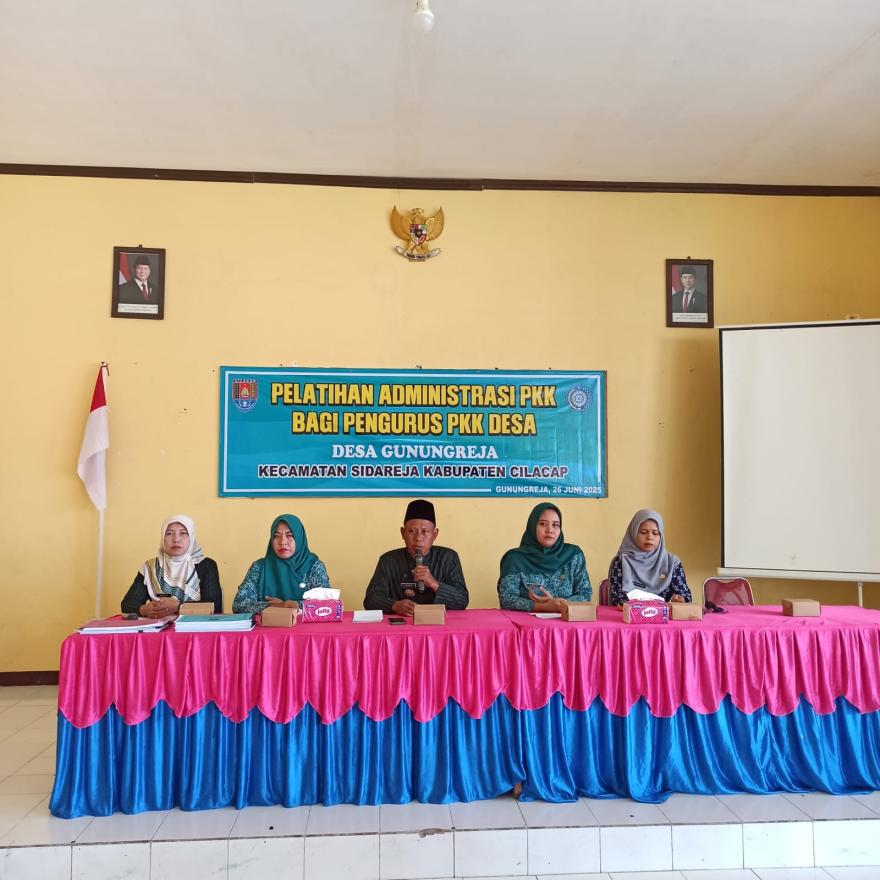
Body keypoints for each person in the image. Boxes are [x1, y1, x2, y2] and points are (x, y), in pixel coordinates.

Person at [363, 499, 468, 616]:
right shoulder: (388, 560)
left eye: (425, 531)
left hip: (439, 624)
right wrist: (394, 605)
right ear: (403, 533)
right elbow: (370, 600)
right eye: (412, 531)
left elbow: (462, 600)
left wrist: (433, 583)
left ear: (435, 534)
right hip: (402, 624)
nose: (418, 538)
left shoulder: (448, 557)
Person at [497, 502, 592, 612]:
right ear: (532, 526)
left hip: (565, 619)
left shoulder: (573, 555)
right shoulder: (515, 558)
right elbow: (506, 599)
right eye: (543, 524)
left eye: (555, 525)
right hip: (526, 621)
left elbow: (585, 594)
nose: (550, 530)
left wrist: (560, 604)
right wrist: (542, 607)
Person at [121, 515, 222, 617]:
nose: (176, 539)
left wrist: (179, 607)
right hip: (160, 625)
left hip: (195, 625)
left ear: (191, 537)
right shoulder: (150, 568)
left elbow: (215, 606)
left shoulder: (206, 565)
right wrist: (143, 610)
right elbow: (127, 604)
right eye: (169, 533)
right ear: (162, 538)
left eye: (183, 533)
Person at [231, 514, 330, 613]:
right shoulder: (259, 567)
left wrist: (292, 605)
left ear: (299, 538)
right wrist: (274, 606)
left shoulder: (314, 567)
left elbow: (326, 605)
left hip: (304, 623)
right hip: (268, 623)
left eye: (289, 535)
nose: (283, 542)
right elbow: (239, 605)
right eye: (277, 536)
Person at [608, 508, 692, 606]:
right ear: (633, 533)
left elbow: (683, 593)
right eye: (644, 532)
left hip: (664, 614)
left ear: (661, 536)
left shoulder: (671, 562)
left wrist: (680, 598)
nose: (650, 537)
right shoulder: (622, 561)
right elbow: (618, 596)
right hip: (630, 613)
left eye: (655, 533)